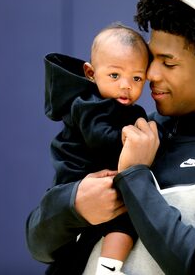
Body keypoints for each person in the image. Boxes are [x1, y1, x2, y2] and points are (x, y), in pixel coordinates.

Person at [26, 0, 195, 274]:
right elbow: (38, 243)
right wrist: (73, 205)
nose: (150, 74)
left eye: (168, 62)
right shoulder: (130, 131)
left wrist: (136, 176)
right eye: (152, 59)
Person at [42, 23, 150, 274]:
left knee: (124, 223)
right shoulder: (89, 104)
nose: (126, 85)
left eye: (137, 78)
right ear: (90, 73)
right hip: (77, 180)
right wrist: (127, 138)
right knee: (75, 246)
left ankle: (107, 268)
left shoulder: (128, 110)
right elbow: (98, 138)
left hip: (103, 184)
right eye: (115, 75)